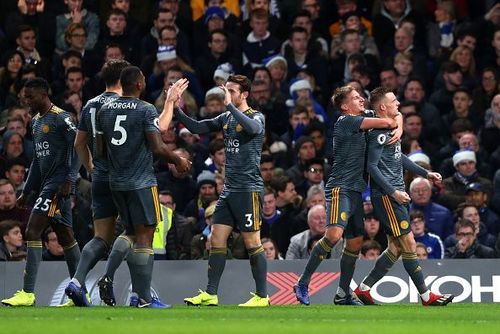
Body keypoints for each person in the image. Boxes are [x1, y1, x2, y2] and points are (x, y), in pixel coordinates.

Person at [294, 85, 402, 306]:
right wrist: (395, 125)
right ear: (345, 106)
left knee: (354, 242)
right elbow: (388, 121)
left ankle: (343, 293)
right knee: (333, 236)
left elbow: (396, 114)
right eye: (355, 98)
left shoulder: (364, 116)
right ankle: (302, 282)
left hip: (356, 190)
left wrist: (398, 126)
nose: (361, 99)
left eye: (361, 96)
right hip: (340, 188)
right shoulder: (346, 121)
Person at [95, 66, 191, 308]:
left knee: (129, 231)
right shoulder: (145, 109)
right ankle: (144, 298)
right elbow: (158, 147)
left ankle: (108, 275)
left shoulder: (105, 109)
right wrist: (178, 160)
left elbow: (100, 149)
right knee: (145, 237)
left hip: (116, 182)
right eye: (144, 79)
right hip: (141, 182)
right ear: (138, 84)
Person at [353, 87, 453, 306]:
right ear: (382, 107)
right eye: (393, 101)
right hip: (388, 196)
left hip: (396, 195)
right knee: (408, 242)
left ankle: (363, 289)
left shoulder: (389, 128)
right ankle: (427, 296)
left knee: (396, 248)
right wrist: (393, 192)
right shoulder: (379, 132)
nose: (398, 104)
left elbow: (399, 158)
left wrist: (426, 173)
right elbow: (371, 167)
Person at [179, 74, 269, 307]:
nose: (226, 94)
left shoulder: (255, 116)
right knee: (216, 239)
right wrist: (176, 108)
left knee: (252, 242)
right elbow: (197, 127)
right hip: (229, 190)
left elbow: (254, 129)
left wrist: (229, 104)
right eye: (225, 90)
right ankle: (210, 293)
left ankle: (262, 296)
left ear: (244, 94)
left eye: (232, 90)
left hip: (248, 189)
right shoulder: (226, 117)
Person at [2, 78, 82, 307]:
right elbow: (37, 160)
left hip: (57, 184)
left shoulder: (62, 117)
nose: (27, 101)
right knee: (66, 237)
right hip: (47, 184)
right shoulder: (36, 122)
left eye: (31, 97)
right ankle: (79, 292)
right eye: (25, 97)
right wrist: (27, 190)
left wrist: (70, 178)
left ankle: (27, 293)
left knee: (32, 230)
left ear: (44, 94)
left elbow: (79, 146)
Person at [63, 59, 130, 306]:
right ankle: (137, 293)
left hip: (99, 177)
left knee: (101, 237)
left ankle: (77, 282)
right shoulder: (129, 105)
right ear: (125, 79)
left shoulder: (90, 105)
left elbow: (79, 143)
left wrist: (91, 167)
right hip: (125, 178)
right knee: (136, 232)